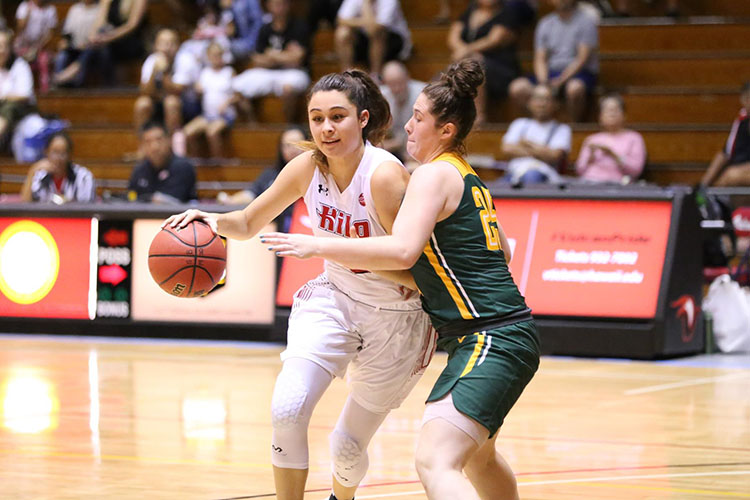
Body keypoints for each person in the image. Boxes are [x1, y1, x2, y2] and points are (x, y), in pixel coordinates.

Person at [260, 59, 540, 500]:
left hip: (488, 335)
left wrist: (319, 244)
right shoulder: (467, 175)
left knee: (435, 461)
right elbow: (504, 251)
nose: (407, 125)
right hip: (503, 331)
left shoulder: (430, 174)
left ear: (446, 130)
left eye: (419, 117)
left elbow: (404, 252)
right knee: (479, 458)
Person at [163, 69, 435, 500]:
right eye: (317, 118)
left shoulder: (384, 177)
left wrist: (327, 247)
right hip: (336, 298)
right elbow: (248, 222)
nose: (326, 128)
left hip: (397, 320)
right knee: (287, 409)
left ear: (362, 119)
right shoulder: (306, 167)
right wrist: (210, 219)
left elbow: (420, 276)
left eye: (338, 117)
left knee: (347, 449)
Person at [509, 0, 598, 122]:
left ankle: (573, 126)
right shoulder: (545, 23)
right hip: (551, 72)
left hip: (578, 73)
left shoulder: (586, 22)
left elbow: (582, 58)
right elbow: (540, 58)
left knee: (574, 89)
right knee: (518, 88)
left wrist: (560, 81)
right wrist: (543, 82)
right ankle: (535, 124)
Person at [232, 0, 311, 123]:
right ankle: (252, 125)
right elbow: (256, 59)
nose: (279, 8)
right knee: (236, 86)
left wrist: (272, 55)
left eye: (282, 4)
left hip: (294, 72)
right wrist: (284, 56)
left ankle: (289, 124)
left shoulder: (299, 26)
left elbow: (297, 58)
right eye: (275, 4)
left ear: (288, 5)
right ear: (268, 6)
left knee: (288, 88)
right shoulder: (264, 28)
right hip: (268, 72)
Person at [448, 0, 521, 125]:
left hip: (500, 69)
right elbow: (453, 37)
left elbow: (494, 40)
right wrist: (462, 51)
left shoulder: (507, 14)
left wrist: (465, 51)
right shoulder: (469, 12)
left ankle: (478, 116)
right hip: (469, 60)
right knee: (453, 69)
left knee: (475, 63)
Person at [216, 125, 306, 218]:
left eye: (298, 144)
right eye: (287, 145)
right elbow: (251, 194)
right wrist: (230, 200)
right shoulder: (270, 174)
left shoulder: (312, 173)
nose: (292, 149)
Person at [501, 83, 571, 185]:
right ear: (529, 102)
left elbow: (554, 156)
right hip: (514, 173)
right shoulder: (519, 124)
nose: (541, 104)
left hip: (543, 175)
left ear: (555, 104)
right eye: (538, 99)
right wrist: (541, 151)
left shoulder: (562, 129)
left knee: (531, 176)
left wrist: (527, 143)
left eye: (546, 99)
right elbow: (507, 149)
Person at [575, 93, 646, 183]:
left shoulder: (634, 138)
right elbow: (579, 170)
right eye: (607, 110)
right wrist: (590, 157)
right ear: (600, 116)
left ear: (624, 115)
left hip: (619, 185)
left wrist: (613, 155)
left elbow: (636, 170)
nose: (612, 114)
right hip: (590, 182)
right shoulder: (592, 139)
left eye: (615, 110)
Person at [183, 42, 237, 159]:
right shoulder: (204, 73)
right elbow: (197, 95)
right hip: (208, 115)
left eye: (219, 55)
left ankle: (218, 163)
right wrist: (197, 91)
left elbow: (238, 95)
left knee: (211, 132)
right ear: (208, 56)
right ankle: (196, 161)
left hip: (225, 115)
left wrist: (226, 103)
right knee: (187, 132)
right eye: (213, 55)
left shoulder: (229, 72)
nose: (216, 58)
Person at [335, 0, 412, 77]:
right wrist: (364, 22)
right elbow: (340, 20)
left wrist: (366, 4)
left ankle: (376, 75)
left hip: (392, 43)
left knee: (378, 34)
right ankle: (347, 74)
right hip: (364, 40)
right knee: (343, 33)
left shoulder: (390, 1)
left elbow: (373, 30)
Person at [128, 121, 197, 203]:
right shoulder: (139, 170)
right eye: (148, 142)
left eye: (159, 140)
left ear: (169, 141)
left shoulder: (183, 166)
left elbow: (171, 202)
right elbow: (131, 199)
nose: (154, 147)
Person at [20, 131, 96, 203]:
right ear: (46, 152)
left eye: (63, 153)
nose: (58, 159)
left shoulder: (84, 177)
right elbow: (25, 203)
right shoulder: (40, 176)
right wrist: (32, 171)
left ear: (70, 155)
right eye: (55, 152)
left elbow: (87, 207)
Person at [379, 60, 424, 162]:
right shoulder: (381, 97)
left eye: (400, 83)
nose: (397, 88)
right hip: (395, 150)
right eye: (392, 84)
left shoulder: (423, 94)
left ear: (408, 78)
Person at [0, 29, 36, 150]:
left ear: (10, 48)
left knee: (9, 107)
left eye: (4, 46)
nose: (1, 50)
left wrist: (4, 97)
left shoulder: (20, 65)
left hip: (21, 108)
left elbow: (24, 95)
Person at [52, 0, 100, 88]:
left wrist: (86, 43)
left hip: (91, 48)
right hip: (74, 47)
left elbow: (100, 33)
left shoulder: (100, 10)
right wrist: (65, 42)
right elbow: (67, 32)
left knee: (88, 51)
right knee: (62, 55)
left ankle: (75, 83)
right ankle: (58, 81)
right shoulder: (75, 9)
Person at [13, 0, 57, 94]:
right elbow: (19, 28)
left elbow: (51, 33)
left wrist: (38, 47)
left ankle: (45, 91)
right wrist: (27, 15)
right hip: (23, 46)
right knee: (16, 60)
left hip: (41, 47)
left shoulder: (50, 9)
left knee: (44, 60)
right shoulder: (24, 6)